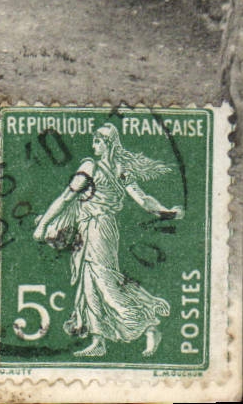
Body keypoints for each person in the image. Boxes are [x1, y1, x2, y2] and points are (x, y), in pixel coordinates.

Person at [33, 123, 183, 357]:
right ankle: (98, 340)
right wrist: (166, 211)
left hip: (98, 229)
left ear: (108, 144)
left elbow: (66, 197)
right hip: (93, 228)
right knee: (89, 283)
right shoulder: (118, 169)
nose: (93, 145)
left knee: (105, 282)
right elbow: (143, 200)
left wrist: (43, 225)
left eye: (98, 141)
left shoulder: (91, 167)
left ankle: (148, 326)